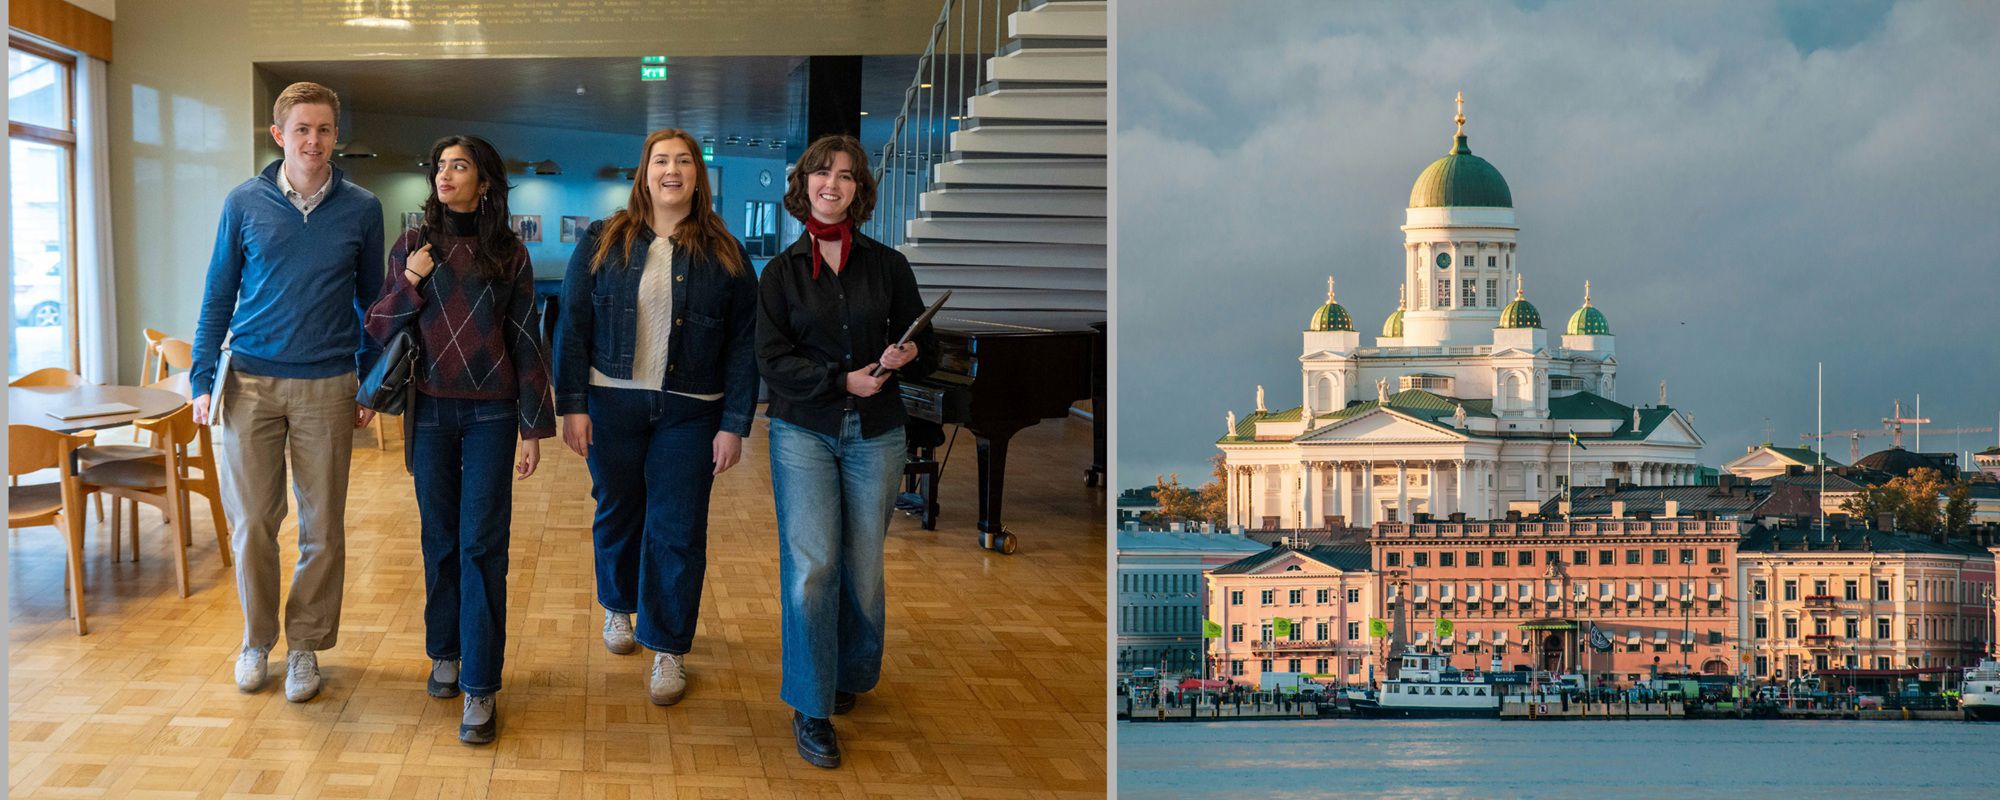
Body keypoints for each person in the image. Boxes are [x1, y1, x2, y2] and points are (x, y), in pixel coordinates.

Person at [190, 81, 383, 703]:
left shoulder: (361, 207)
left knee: (322, 527)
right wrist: (200, 378)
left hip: (328, 383)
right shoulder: (243, 202)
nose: (314, 140)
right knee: (251, 524)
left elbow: (374, 304)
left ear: (335, 136)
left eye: (324, 129)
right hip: (247, 381)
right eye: (302, 129)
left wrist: (372, 380)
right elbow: (218, 294)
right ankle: (255, 641)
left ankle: (305, 648)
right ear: (279, 136)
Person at [553, 128, 758, 709]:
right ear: (644, 173)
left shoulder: (725, 251)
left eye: (684, 161)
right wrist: (572, 405)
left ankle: (668, 645)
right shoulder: (603, 240)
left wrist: (735, 422)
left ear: (698, 175)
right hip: (611, 401)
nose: (672, 170)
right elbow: (572, 327)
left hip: (693, 411)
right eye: (661, 161)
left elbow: (744, 343)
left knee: (678, 526)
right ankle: (619, 606)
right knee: (618, 509)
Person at [364, 135, 553, 744]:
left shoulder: (509, 253)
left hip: (492, 418)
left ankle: (481, 684)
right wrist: (413, 280)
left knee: (482, 548)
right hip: (430, 416)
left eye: (459, 166)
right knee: (439, 542)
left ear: (485, 183)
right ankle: (444, 652)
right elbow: (380, 322)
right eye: (440, 165)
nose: (446, 175)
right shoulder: (414, 245)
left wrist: (532, 425)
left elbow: (527, 341)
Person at [756, 134, 937, 769]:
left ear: (860, 190)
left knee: (862, 566)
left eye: (846, 175)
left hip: (878, 433)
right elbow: (772, 364)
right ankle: (811, 706)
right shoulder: (779, 274)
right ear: (803, 184)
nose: (832, 183)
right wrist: (841, 381)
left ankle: (848, 673)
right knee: (812, 567)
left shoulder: (889, 267)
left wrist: (909, 354)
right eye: (821, 173)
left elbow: (930, 348)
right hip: (803, 431)